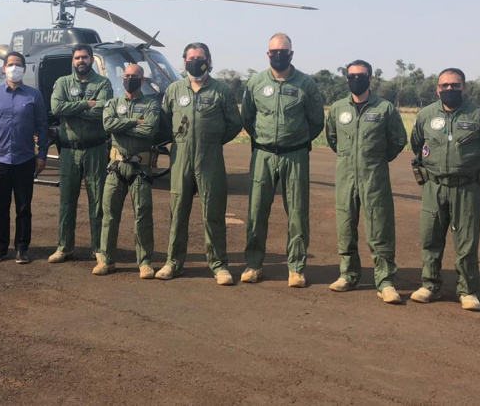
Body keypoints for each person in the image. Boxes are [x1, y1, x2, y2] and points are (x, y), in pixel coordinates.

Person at [409, 68, 480, 311]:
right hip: (434, 186)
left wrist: (472, 167)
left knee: (467, 240)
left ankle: (467, 290)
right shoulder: (426, 115)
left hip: (467, 187)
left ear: (464, 88)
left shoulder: (479, 115)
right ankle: (429, 285)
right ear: (437, 89)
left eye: (455, 85)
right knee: (430, 237)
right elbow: (417, 144)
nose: (449, 89)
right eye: (445, 86)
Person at [155, 42, 243, 285]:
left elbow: (234, 124)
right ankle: (173, 262)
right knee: (178, 211)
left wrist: (212, 140)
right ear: (184, 62)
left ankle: (218, 264)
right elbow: (164, 121)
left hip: (210, 157)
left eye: (200, 57)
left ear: (209, 61)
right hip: (180, 155)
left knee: (213, 211)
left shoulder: (221, 91)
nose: (196, 61)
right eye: (191, 57)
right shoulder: (174, 90)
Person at [241, 33, 324, 287]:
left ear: (291, 54)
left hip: (295, 155)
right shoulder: (256, 82)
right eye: (273, 51)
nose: (278, 55)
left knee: (297, 212)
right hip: (263, 154)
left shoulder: (305, 84)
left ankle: (296, 268)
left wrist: (295, 140)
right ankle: (254, 265)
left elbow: (316, 121)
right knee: (256, 210)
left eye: (283, 51)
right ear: (268, 54)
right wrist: (262, 140)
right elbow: (248, 117)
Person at [325, 60, 407, 304]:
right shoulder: (338, 109)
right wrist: (349, 158)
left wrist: (376, 160)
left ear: (370, 78)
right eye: (351, 76)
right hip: (346, 177)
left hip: (375, 177)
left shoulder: (385, 108)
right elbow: (332, 139)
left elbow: (398, 140)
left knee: (380, 228)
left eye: (361, 75)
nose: (356, 79)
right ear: (346, 78)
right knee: (346, 227)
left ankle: (385, 281)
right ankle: (348, 274)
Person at [0, 51, 49, 264]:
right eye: (10, 64)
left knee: (23, 206)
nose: (14, 68)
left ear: (24, 69)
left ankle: (22, 247)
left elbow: (43, 127)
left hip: (25, 159)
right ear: (4, 68)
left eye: (18, 64)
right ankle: (0, 247)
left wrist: (43, 154)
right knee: (0, 206)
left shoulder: (34, 95)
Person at [48, 44, 113, 263]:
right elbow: (57, 109)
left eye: (84, 57)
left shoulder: (103, 83)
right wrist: (86, 103)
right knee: (67, 201)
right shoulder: (62, 82)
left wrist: (73, 109)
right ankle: (64, 246)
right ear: (73, 61)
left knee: (98, 201)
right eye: (77, 57)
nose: (80, 61)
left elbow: (103, 110)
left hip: (95, 149)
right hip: (69, 151)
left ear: (92, 59)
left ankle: (98, 248)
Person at [94, 64, 161, 279]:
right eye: (127, 76)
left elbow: (149, 130)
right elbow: (107, 124)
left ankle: (145, 262)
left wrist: (122, 126)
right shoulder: (113, 102)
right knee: (109, 215)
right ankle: (106, 259)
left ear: (142, 81)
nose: (129, 79)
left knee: (142, 214)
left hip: (140, 167)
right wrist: (134, 121)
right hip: (116, 167)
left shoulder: (151, 104)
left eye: (135, 76)